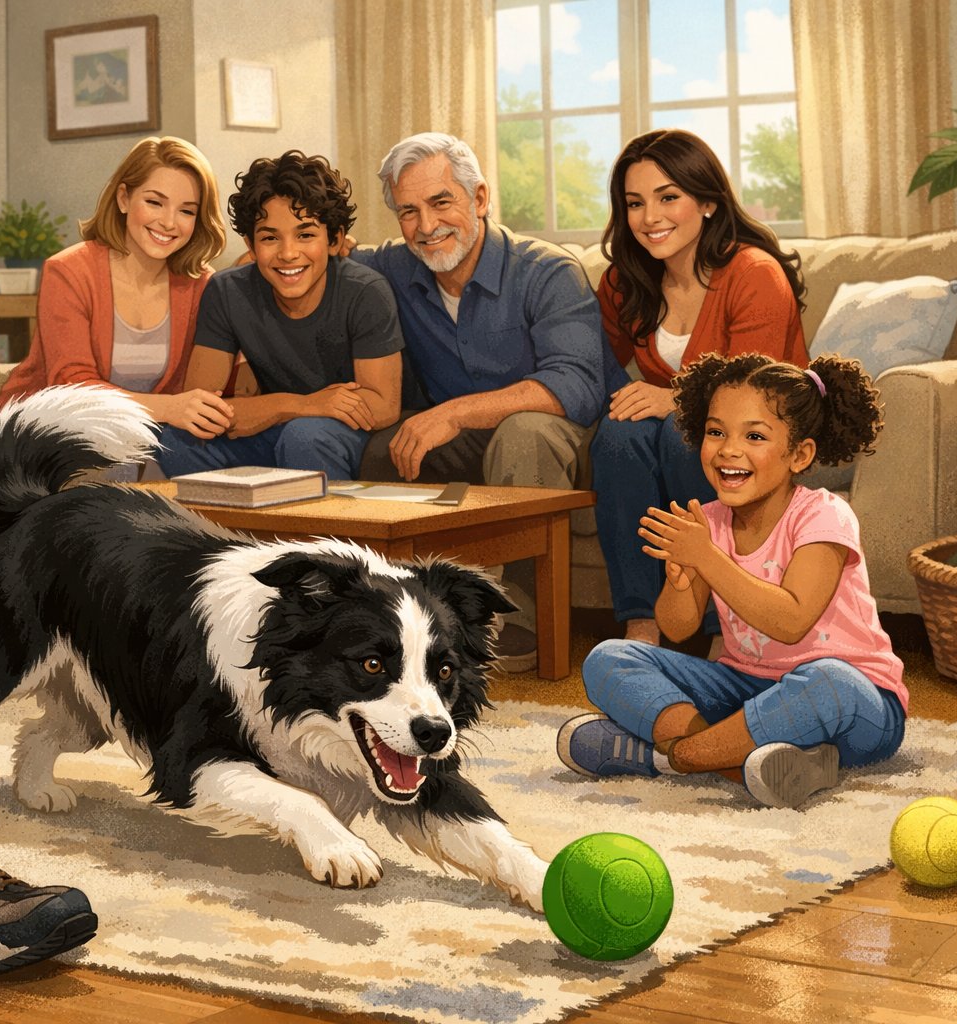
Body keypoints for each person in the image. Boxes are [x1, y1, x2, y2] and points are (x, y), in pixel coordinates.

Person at [559, 353, 903, 810]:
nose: (728, 450)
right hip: (745, 691)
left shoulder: (824, 515)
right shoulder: (711, 521)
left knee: (828, 681)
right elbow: (677, 629)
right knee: (608, 658)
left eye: (754, 436)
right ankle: (756, 760)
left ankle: (675, 757)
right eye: (716, 432)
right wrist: (682, 579)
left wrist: (707, 558)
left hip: (859, 706)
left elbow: (791, 620)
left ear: (799, 454)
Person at [350, 131, 625, 670]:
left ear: (479, 199)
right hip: (468, 438)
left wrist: (451, 413)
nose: (427, 226)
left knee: (525, 432)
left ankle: (519, 612)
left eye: (441, 202)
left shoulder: (549, 271)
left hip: (565, 435)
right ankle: (395, 617)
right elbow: (320, 256)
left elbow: (575, 385)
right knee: (386, 443)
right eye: (408, 211)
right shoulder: (393, 268)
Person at [592, 128, 809, 649]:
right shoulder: (625, 281)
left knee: (682, 433)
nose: (650, 218)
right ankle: (642, 624)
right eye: (635, 203)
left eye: (669, 198)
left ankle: (722, 629)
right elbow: (594, 366)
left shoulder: (754, 273)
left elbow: (753, 393)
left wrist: (672, 399)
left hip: (761, 425)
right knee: (617, 437)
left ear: (708, 201)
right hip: (686, 423)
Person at [154, 150, 403, 480]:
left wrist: (296, 413)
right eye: (270, 237)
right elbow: (202, 407)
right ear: (251, 244)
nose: (288, 253)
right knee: (177, 440)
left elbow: (383, 406)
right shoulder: (227, 291)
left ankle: (323, 533)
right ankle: (223, 533)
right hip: (285, 422)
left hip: (348, 430)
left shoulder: (365, 291)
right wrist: (301, 404)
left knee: (304, 437)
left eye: (305, 235)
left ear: (335, 239)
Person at [0, 136, 233, 448]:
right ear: (123, 198)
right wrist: (169, 409)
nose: (169, 222)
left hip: (148, 441)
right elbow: (72, 388)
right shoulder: (68, 271)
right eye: (154, 202)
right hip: (47, 438)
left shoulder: (203, 285)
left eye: (186, 211)